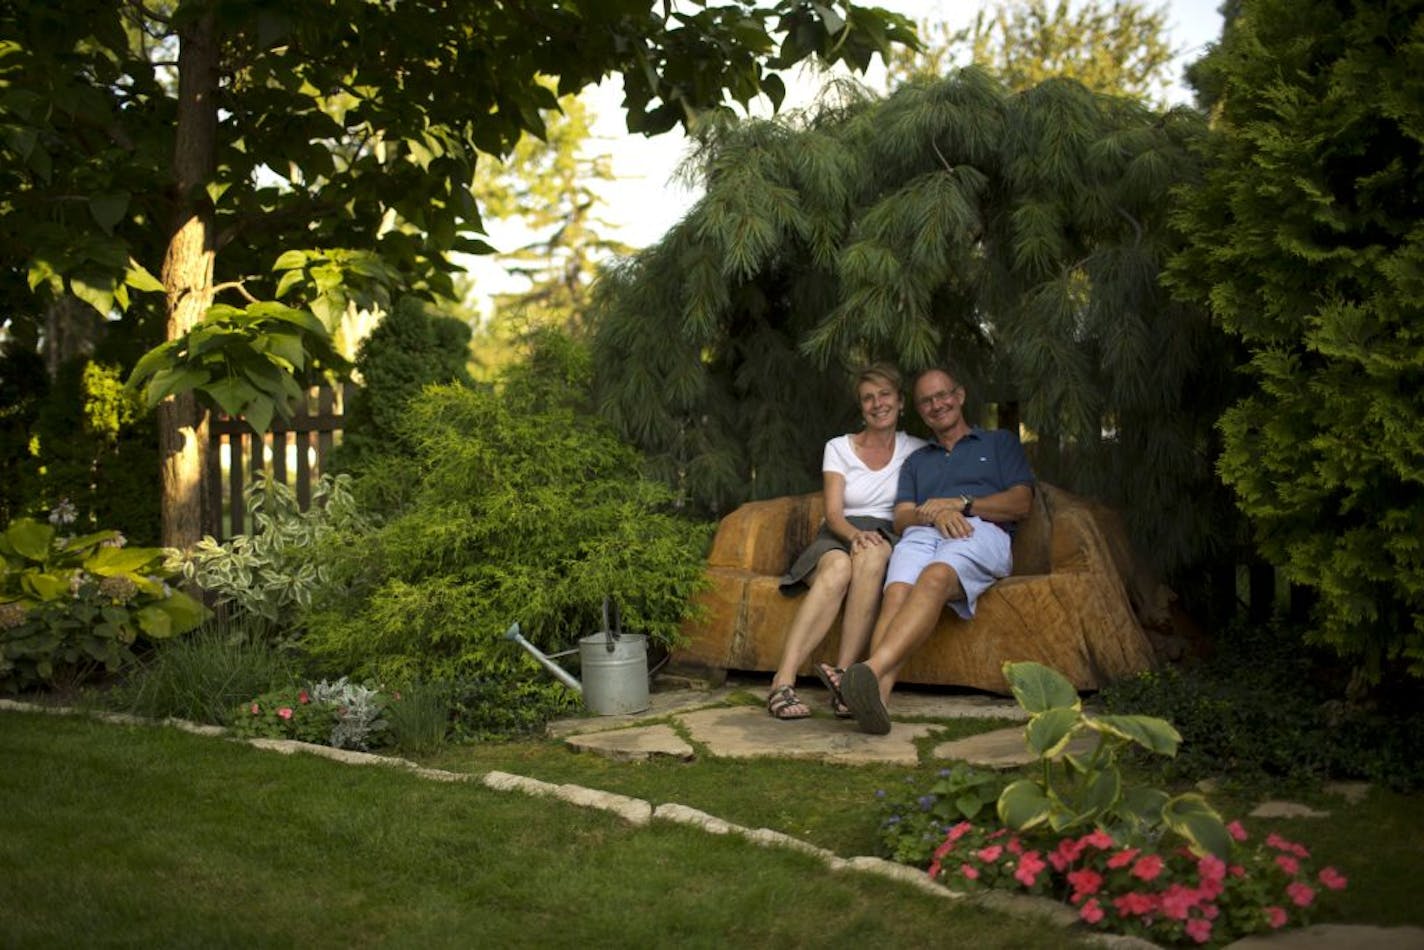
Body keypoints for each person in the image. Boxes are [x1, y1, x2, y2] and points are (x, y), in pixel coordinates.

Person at [836, 366, 1036, 734]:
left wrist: (960, 504)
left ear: (959, 396)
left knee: (935, 576)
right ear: (919, 410)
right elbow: (900, 518)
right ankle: (875, 701)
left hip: (979, 529)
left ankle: (869, 671)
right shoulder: (917, 460)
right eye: (926, 401)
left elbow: (1022, 503)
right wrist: (932, 512)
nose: (936, 405)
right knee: (895, 592)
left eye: (942, 395)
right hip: (923, 532)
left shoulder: (998, 442)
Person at [766, 363, 928, 720]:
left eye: (885, 394)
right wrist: (854, 535)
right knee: (838, 567)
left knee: (871, 555)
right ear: (861, 407)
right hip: (840, 532)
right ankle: (782, 681)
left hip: (887, 532)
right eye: (868, 398)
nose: (877, 403)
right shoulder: (838, 447)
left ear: (901, 402)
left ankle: (843, 679)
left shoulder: (918, 449)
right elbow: (834, 513)